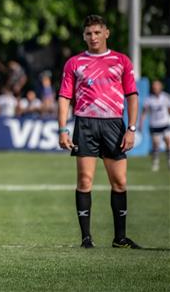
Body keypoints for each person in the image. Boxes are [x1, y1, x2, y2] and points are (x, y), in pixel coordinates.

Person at [58, 15, 141, 249]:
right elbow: (64, 97)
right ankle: (86, 238)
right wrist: (63, 129)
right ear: (84, 36)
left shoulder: (121, 61)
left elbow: (132, 96)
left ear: (106, 33)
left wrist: (131, 129)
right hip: (85, 124)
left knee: (120, 182)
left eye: (97, 32)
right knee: (84, 181)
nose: (93, 37)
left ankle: (120, 238)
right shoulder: (74, 63)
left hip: (114, 124)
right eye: (88, 33)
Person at [139, 79, 170, 171]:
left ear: (161, 87)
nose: (155, 88)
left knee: (168, 142)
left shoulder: (166, 97)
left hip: (165, 123)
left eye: (157, 86)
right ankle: (155, 162)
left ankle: (169, 160)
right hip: (154, 125)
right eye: (154, 86)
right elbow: (144, 113)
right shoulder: (149, 99)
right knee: (155, 144)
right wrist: (141, 123)